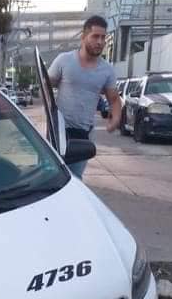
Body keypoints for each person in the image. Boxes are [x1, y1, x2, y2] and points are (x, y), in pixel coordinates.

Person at [47, 15, 121, 179]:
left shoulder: (107, 70)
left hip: (84, 135)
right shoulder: (64, 60)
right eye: (95, 36)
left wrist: (115, 118)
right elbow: (46, 86)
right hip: (59, 131)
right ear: (83, 37)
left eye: (103, 37)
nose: (100, 41)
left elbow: (114, 99)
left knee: (75, 180)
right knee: (53, 179)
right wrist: (49, 111)